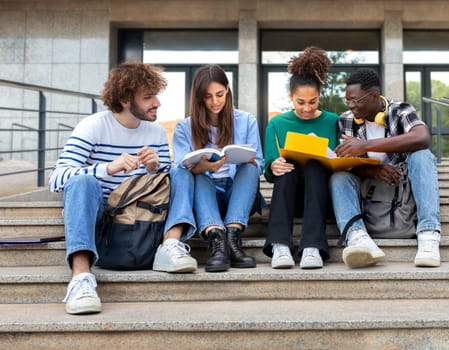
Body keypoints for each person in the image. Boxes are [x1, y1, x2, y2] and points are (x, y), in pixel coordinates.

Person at [49, 61, 197, 315]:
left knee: (180, 171)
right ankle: (81, 278)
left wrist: (156, 169)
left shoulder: (157, 132)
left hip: (142, 225)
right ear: (126, 100)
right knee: (83, 181)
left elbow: (164, 188)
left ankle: (170, 245)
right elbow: (57, 178)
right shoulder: (93, 126)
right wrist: (107, 168)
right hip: (103, 225)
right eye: (148, 97)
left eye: (156, 97)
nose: (157, 104)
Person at [329, 68, 441, 268]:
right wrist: (374, 171)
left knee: (423, 156)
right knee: (338, 176)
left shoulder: (400, 110)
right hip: (369, 184)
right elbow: (349, 165)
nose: (351, 106)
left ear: (374, 96)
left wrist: (366, 145)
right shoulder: (346, 119)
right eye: (348, 101)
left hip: (401, 182)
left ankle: (428, 235)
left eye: (356, 100)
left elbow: (422, 138)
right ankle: (358, 238)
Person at [172, 64, 264, 273]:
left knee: (250, 169)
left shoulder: (246, 120)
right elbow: (179, 168)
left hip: (237, 195)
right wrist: (200, 168)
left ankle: (232, 237)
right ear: (198, 98)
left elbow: (258, 162)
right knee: (200, 177)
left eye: (220, 94)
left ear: (228, 89)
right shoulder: (184, 128)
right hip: (205, 197)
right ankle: (217, 241)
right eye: (208, 96)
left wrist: (246, 160)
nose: (215, 101)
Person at [262, 47, 339, 269]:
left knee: (315, 165)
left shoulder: (332, 121)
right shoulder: (277, 124)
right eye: (300, 102)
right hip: (289, 197)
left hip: (321, 198)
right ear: (290, 98)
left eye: (312, 102)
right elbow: (268, 171)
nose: (307, 108)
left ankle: (312, 247)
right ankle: (280, 245)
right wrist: (273, 166)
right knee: (289, 165)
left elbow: (338, 160)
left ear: (319, 97)